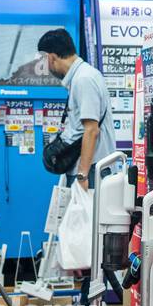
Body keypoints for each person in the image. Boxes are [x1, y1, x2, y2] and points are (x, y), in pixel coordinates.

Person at [36, 28, 116, 190]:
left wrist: (82, 175)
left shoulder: (84, 79)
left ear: (51, 57)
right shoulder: (81, 77)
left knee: (87, 215)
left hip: (92, 171)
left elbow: (91, 130)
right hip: (89, 169)